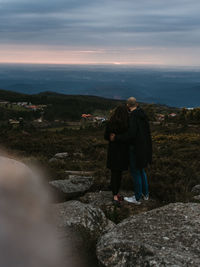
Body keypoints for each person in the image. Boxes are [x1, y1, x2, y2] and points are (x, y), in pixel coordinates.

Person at [110, 97, 152, 205]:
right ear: (136, 104)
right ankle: (145, 194)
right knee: (142, 170)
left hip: (135, 148)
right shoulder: (142, 114)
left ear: (128, 106)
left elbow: (131, 134)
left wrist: (117, 137)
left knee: (136, 171)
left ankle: (137, 198)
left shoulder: (133, 117)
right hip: (144, 147)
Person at [104, 105, 129, 206]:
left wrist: (112, 138)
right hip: (122, 152)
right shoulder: (126, 124)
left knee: (114, 172)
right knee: (118, 173)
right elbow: (128, 138)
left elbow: (106, 136)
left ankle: (115, 193)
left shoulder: (111, 123)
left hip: (113, 151)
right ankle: (116, 195)